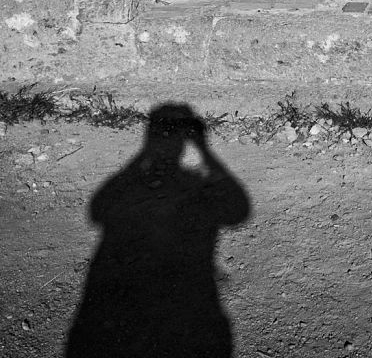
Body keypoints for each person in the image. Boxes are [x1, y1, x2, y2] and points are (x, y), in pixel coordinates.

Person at [65, 103, 251, 356]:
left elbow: (99, 209)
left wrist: (146, 154)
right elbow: (238, 210)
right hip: (191, 310)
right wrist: (204, 151)